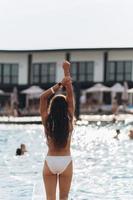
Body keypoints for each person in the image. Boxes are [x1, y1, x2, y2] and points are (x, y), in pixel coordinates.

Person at [40, 61, 75, 200]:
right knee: (64, 198)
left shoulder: (47, 120)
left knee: (50, 198)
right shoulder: (69, 118)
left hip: (50, 161)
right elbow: (71, 94)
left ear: (52, 107)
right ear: (66, 107)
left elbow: (43, 97)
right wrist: (67, 71)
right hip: (66, 160)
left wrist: (59, 85)